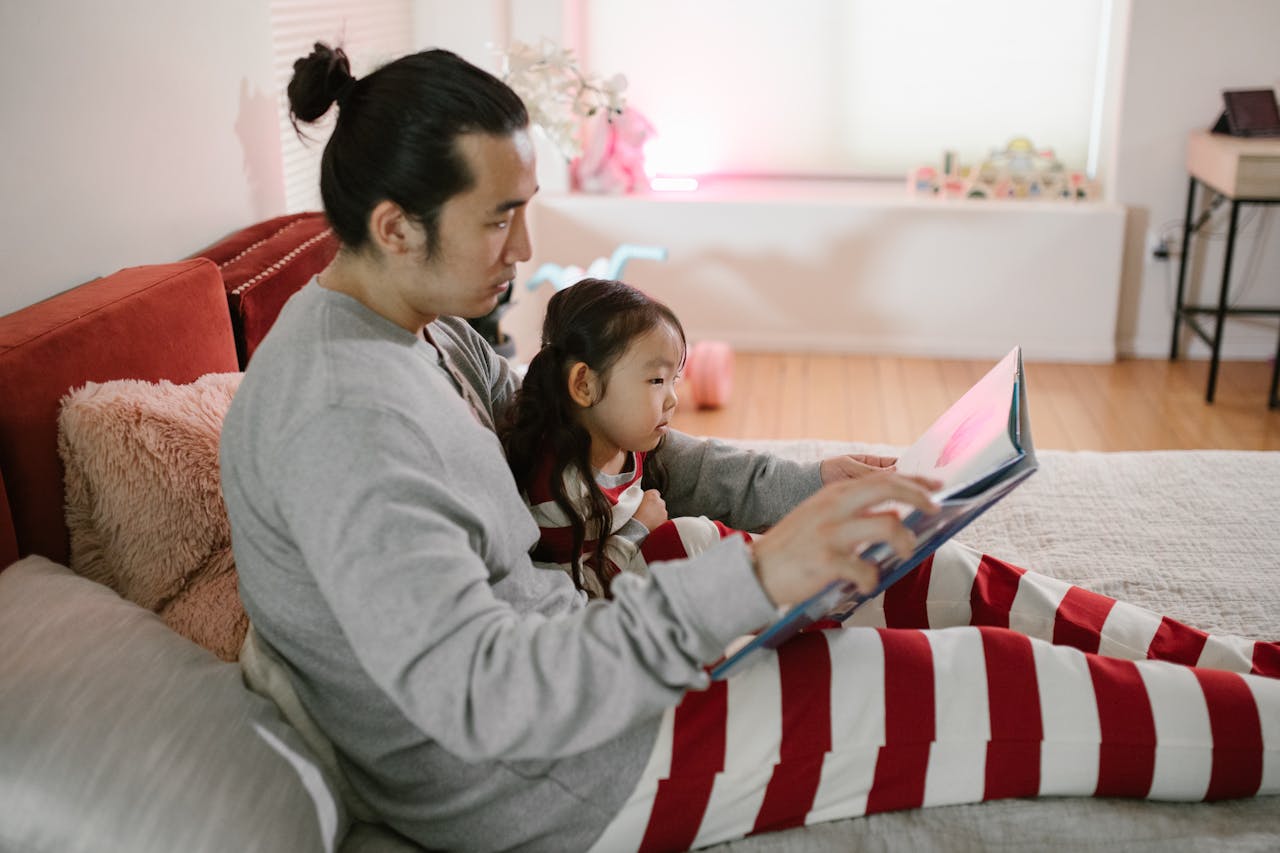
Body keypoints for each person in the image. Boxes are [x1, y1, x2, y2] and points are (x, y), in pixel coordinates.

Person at [219, 43, 1280, 853]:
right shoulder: (339, 420)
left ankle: (1250, 672)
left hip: (590, 614)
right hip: (553, 773)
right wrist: (758, 573)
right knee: (982, 681)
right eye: (500, 219)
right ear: (397, 225)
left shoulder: (426, 325)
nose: (528, 250)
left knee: (914, 555)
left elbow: (579, 438)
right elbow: (486, 694)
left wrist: (797, 492)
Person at [501, 277, 754, 599]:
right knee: (688, 536)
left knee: (711, 541)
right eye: (656, 380)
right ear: (584, 385)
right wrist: (640, 528)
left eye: (673, 379)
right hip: (605, 623)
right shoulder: (558, 492)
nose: (673, 399)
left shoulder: (626, 443)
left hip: (636, 584)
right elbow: (575, 597)